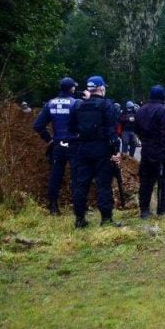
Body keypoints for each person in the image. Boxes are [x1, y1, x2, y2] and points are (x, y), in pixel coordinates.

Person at [68, 75, 121, 228]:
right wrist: (115, 151)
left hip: (82, 149)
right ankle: (106, 219)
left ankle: (79, 219)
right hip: (102, 150)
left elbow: (71, 128)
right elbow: (112, 131)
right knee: (103, 184)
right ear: (101, 88)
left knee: (81, 185)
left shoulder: (78, 106)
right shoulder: (106, 105)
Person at [33, 77, 79, 215]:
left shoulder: (50, 104)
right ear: (71, 88)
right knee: (77, 175)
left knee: (55, 176)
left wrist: (49, 139)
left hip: (58, 145)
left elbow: (38, 125)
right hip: (74, 144)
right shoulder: (76, 103)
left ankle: (53, 207)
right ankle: (79, 206)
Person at [135, 85, 165, 218]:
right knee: (164, 179)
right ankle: (163, 208)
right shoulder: (164, 111)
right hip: (161, 150)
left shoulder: (141, 110)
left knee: (146, 180)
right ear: (162, 97)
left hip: (146, 149)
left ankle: (144, 210)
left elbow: (137, 130)